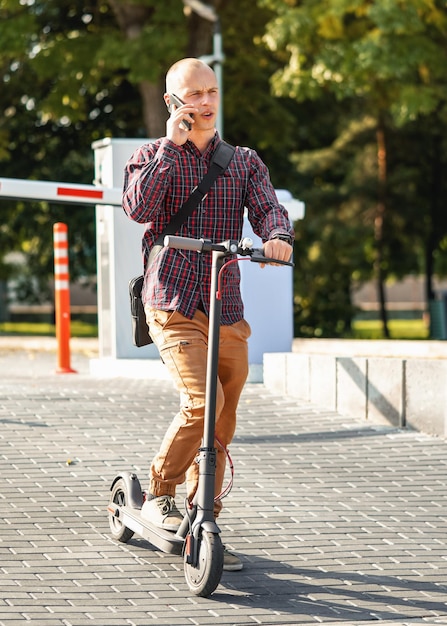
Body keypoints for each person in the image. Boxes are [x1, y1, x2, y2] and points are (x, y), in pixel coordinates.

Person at [122, 58, 294, 571]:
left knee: (223, 417)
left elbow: (267, 206)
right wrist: (171, 147)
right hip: (171, 299)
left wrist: (277, 235)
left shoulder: (241, 161)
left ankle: (204, 517)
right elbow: (138, 207)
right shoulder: (154, 155)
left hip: (226, 306)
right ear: (174, 101)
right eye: (193, 94)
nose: (205, 101)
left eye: (212, 91)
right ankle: (158, 492)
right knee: (203, 401)